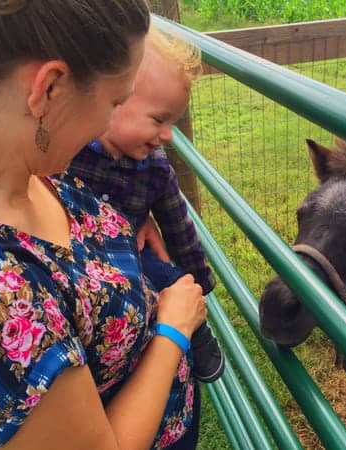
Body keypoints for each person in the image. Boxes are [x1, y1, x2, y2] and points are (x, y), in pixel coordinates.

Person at [0, 1, 207, 449]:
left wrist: (138, 218)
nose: (109, 121)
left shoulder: (23, 156)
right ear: (51, 87)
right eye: (116, 101)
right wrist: (172, 331)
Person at [69, 27, 224, 383]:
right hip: (78, 261)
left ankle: (195, 333)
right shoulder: (69, 151)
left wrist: (197, 280)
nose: (168, 135)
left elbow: (178, 224)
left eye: (172, 122)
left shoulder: (154, 167)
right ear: (116, 98)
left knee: (169, 277)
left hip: (133, 255)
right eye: (159, 120)